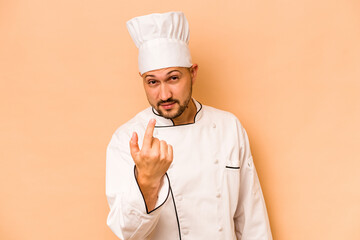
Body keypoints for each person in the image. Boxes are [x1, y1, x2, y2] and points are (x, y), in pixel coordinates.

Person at [106, 11, 272, 240]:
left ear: (192, 73)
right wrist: (147, 181)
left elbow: (252, 219)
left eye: (173, 78)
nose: (164, 94)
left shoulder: (228, 127)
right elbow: (127, 232)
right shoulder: (126, 139)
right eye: (152, 82)